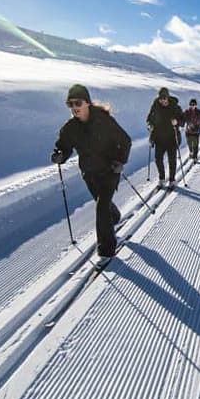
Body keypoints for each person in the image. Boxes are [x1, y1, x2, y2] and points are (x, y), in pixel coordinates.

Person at [51, 84, 132, 268]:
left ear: (87, 102)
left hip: (110, 170)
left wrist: (120, 161)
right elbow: (63, 146)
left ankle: (106, 251)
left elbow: (125, 140)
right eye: (69, 104)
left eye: (77, 102)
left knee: (101, 207)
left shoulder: (104, 120)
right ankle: (115, 216)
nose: (74, 107)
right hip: (89, 172)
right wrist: (60, 155)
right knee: (102, 203)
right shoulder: (70, 128)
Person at [146, 87, 184, 189]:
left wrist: (177, 122)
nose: (162, 100)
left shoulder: (175, 107)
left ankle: (172, 180)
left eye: (164, 98)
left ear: (167, 97)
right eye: (160, 98)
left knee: (172, 160)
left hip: (172, 138)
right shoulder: (155, 106)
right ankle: (162, 179)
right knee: (158, 159)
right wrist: (150, 125)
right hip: (159, 138)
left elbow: (183, 121)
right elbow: (149, 118)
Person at [182, 98, 200, 163]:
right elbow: (182, 119)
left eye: (193, 104)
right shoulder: (186, 112)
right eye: (191, 104)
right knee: (189, 144)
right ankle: (191, 152)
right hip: (188, 131)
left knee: (195, 145)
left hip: (196, 131)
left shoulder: (199, 112)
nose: (192, 106)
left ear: (195, 105)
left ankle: (195, 156)